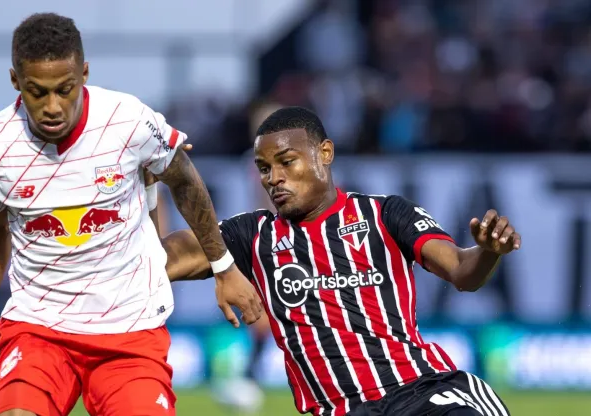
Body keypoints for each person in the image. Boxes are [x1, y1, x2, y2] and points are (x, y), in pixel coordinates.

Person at [0, 13, 263, 416]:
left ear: (84, 73)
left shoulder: (129, 121)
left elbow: (185, 180)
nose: (52, 107)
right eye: (37, 92)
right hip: (38, 329)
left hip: (129, 331)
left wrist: (224, 268)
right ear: (15, 81)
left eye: (65, 89)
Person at [158, 106, 516, 415]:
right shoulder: (252, 236)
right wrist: (140, 193)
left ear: (324, 153)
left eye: (286, 162)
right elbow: (161, 259)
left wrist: (487, 251)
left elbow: (462, 272)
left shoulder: (385, 214)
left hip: (424, 394)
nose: (274, 178)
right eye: (264, 168)